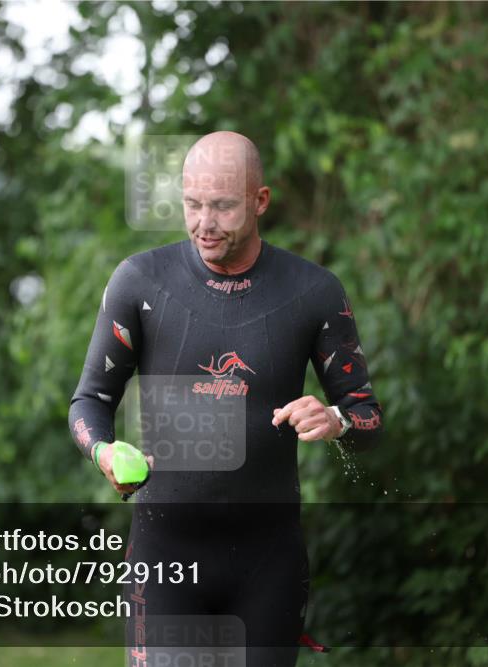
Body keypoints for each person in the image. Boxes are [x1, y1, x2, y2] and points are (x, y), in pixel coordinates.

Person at [69, 132, 383, 666]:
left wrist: (333, 419)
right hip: (165, 557)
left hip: (268, 561)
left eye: (222, 206)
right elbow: (89, 403)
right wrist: (104, 452)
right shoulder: (140, 282)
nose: (204, 223)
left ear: (260, 201)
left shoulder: (313, 292)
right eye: (192, 204)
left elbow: (368, 416)